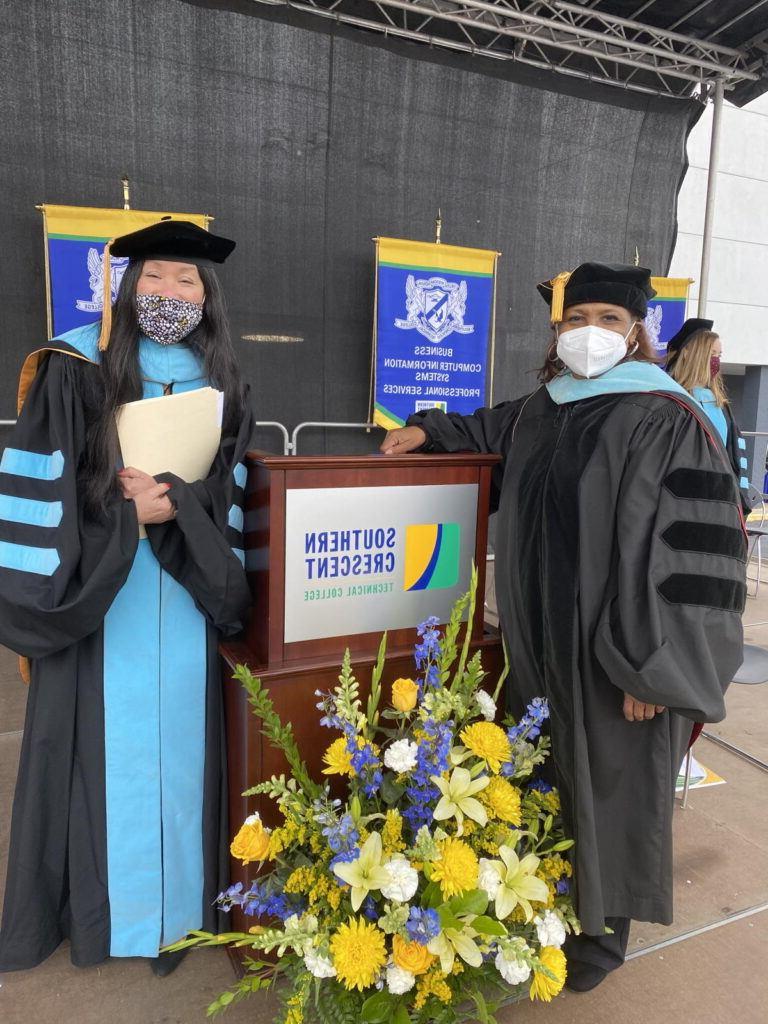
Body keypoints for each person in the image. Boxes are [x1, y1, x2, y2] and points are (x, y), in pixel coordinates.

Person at [380, 262, 746, 991]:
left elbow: (693, 559)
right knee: (541, 779)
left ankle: (599, 943)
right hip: (538, 644)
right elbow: (482, 428)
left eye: (608, 320)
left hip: (618, 655)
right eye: (576, 321)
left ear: (639, 331)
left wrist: (655, 667)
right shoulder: (542, 409)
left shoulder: (666, 416)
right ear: (557, 331)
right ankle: (538, 920)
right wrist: (425, 429)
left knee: (609, 789)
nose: (590, 334)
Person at [0, 220, 253, 975]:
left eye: (186, 281)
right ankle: (105, 916)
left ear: (207, 296)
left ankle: (181, 913)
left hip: (182, 592)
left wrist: (179, 506)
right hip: (100, 596)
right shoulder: (73, 365)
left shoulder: (224, 381)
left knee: (182, 750)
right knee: (101, 755)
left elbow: (230, 489)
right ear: (125, 284)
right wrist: (121, 516)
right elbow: (42, 484)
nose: (169, 292)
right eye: (154, 276)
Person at [665, 317, 751, 512]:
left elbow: (735, 457)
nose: (716, 361)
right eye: (712, 353)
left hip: (723, 499)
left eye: (719, 355)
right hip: (684, 501)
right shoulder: (670, 399)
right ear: (688, 353)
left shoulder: (720, 404)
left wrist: (741, 500)